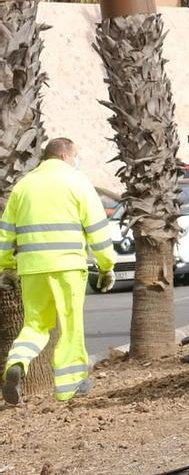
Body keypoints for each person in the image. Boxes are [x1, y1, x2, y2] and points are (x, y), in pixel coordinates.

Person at [0, 139, 116, 404]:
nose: (76, 161)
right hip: (68, 268)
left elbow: (5, 233)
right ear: (65, 156)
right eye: (75, 156)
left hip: (32, 269)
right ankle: (70, 386)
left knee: (34, 325)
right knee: (70, 326)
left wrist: (5, 265)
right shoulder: (77, 182)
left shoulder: (23, 186)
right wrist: (106, 266)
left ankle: (17, 363)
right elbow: (98, 229)